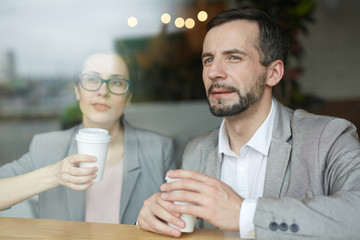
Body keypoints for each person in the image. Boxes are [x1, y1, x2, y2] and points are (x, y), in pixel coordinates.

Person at [138, 8, 360, 239]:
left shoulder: (328, 138)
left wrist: (245, 214)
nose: (214, 72)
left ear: (273, 73)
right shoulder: (197, 150)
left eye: (234, 57)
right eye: (208, 59)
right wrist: (157, 219)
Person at [0, 49, 176, 225]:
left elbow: (177, 219)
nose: (102, 91)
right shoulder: (46, 146)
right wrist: (54, 174)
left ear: (128, 97)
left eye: (116, 82)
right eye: (92, 79)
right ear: (77, 91)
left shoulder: (159, 149)